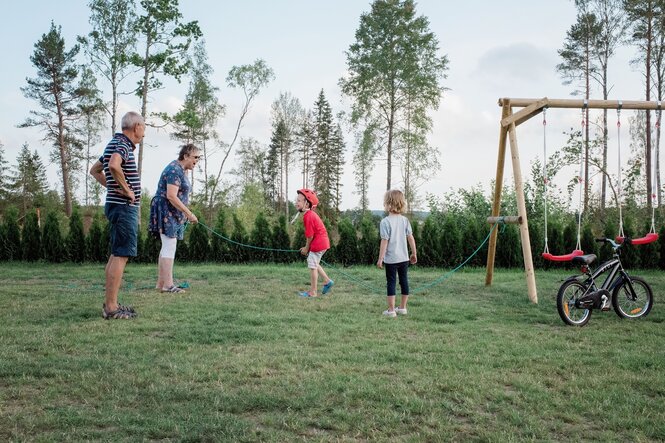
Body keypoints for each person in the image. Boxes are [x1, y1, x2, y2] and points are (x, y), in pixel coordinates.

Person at [90, 111, 145, 319]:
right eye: (144, 128)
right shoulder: (122, 144)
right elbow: (113, 165)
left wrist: (113, 188)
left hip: (117, 204)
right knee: (121, 255)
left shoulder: (114, 143)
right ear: (136, 127)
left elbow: (95, 170)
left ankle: (110, 304)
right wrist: (127, 190)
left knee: (116, 254)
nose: (144, 133)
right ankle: (111, 308)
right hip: (123, 207)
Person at [148, 144, 200, 293]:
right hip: (165, 209)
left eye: (198, 157)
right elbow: (171, 195)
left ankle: (161, 283)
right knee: (169, 245)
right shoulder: (174, 169)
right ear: (185, 156)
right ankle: (168, 285)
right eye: (195, 157)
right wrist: (189, 213)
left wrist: (184, 213)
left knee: (168, 245)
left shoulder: (182, 170)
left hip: (173, 211)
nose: (197, 160)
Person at [376, 189, 417, 318]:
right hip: (404, 258)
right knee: (404, 281)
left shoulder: (385, 222)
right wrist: (414, 253)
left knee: (391, 282)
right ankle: (403, 308)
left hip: (391, 259)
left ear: (388, 204)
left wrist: (380, 258)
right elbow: (410, 238)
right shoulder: (405, 220)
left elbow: (384, 241)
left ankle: (391, 310)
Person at [296, 189, 334, 297]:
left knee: (312, 265)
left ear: (306, 203)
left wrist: (306, 248)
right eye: (297, 200)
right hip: (323, 242)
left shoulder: (308, 216)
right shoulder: (310, 214)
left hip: (318, 244)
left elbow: (310, 236)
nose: (296, 202)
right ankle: (327, 281)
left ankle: (313, 292)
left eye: (299, 200)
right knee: (314, 263)